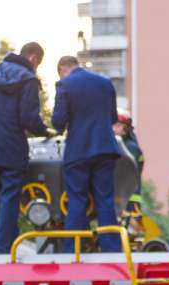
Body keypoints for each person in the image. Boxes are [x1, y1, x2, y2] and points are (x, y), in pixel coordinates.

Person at [0, 42, 51, 254]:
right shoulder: (28, 79)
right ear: (33, 58)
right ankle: (4, 250)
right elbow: (29, 118)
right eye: (38, 63)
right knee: (9, 198)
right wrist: (45, 132)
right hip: (10, 149)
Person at [52, 56, 122, 253]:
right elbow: (112, 118)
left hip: (78, 151)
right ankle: (111, 251)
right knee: (105, 201)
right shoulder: (105, 83)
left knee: (76, 201)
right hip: (105, 149)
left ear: (63, 69)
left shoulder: (64, 84)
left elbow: (58, 122)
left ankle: (72, 251)